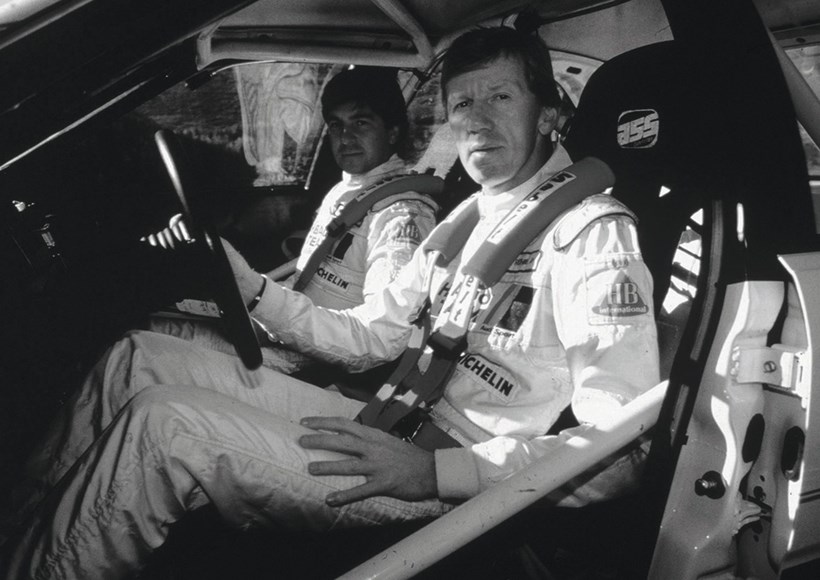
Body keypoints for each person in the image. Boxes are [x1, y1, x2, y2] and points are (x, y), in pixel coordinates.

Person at [2, 26, 659, 578]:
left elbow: (617, 456)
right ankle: (20, 528)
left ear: (547, 113)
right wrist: (253, 289)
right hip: (388, 418)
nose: (477, 119)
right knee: (135, 360)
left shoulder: (591, 235)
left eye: (501, 96)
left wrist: (436, 471)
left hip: (448, 471)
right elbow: (369, 338)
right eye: (462, 104)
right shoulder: (467, 223)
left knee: (163, 425)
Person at [145, 66, 439, 374]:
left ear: (392, 132)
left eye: (361, 123)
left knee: (134, 360)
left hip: (318, 366)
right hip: (284, 335)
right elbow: (306, 289)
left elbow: (378, 342)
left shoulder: (402, 215)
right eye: (336, 125)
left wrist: (255, 293)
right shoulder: (349, 190)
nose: (345, 137)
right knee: (151, 328)